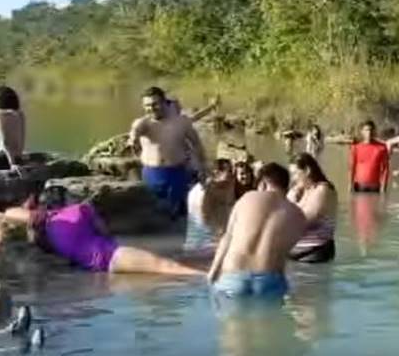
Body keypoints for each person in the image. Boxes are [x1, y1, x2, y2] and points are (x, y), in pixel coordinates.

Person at [0, 197, 202, 275]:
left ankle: (207, 274)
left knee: (169, 265)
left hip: (103, 260)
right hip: (110, 255)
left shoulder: (51, 229)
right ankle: (208, 280)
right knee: (167, 266)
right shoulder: (78, 210)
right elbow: (104, 231)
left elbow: (9, 213)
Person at [208, 162, 307, 298]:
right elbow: (283, 256)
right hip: (269, 281)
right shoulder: (298, 215)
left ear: (263, 183)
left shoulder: (246, 198)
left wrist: (212, 273)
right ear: (286, 186)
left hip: (233, 277)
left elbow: (227, 237)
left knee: (232, 318)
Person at [129, 86, 208, 218]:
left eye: (155, 104)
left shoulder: (181, 122)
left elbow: (196, 144)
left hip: (177, 173)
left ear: (164, 102)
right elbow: (135, 133)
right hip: (152, 174)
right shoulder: (143, 123)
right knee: (153, 216)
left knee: (177, 217)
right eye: (147, 105)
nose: (151, 108)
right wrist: (132, 139)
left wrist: (202, 167)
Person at [287, 153, 338, 263]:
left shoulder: (323, 189)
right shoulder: (301, 191)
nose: (293, 179)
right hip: (296, 255)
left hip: (314, 254)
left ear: (307, 170)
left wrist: (289, 203)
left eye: (296, 173)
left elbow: (305, 220)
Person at [348, 120, 390, 193]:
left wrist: (384, 187)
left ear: (374, 131)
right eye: (366, 130)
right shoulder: (356, 148)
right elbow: (352, 168)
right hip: (359, 185)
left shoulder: (382, 148)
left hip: (375, 186)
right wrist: (349, 185)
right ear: (362, 132)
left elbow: (385, 169)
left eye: (371, 130)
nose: (369, 132)